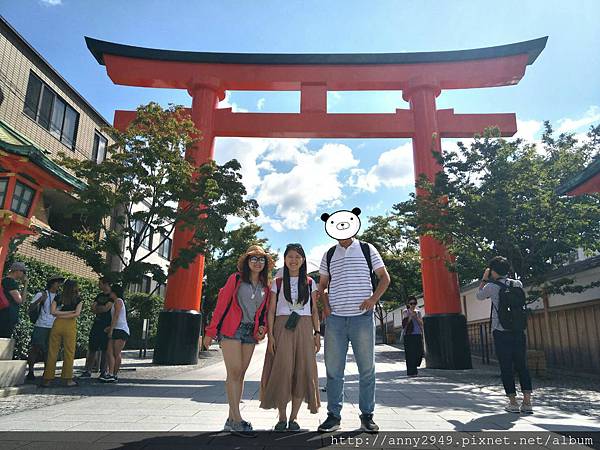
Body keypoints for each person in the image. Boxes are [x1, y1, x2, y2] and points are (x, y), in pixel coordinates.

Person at [317, 237, 390, 433]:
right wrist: (326, 307)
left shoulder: (367, 248)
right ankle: (333, 416)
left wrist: (373, 299)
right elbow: (322, 284)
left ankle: (367, 416)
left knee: (367, 370)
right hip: (335, 320)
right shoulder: (329, 253)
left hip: (362, 318)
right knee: (333, 371)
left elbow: (384, 277)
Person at [203, 245, 272, 436]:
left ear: (265, 263)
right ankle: (237, 419)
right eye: (253, 258)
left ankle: (231, 419)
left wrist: (262, 327)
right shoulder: (235, 279)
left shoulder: (266, 286)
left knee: (240, 375)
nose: (257, 262)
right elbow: (221, 304)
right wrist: (210, 331)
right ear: (246, 262)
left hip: (250, 333)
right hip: (231, 330)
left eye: (261, 259)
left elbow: (265, 313)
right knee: (233, 373)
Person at [260, 243, 321, 432]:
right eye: (290, 257)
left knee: (302, 371)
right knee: (282, 369)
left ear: (303, 260)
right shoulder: (277, 282)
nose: (293, 260)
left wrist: (317, 333)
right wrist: (271, 336)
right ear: (285, 260)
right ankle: (282, 417)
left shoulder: (310, 282)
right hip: (282, 326)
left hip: (304, 326)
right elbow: (270, 310)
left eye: (297, 257)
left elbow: (313, 311)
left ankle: (294, 418)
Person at [476, 256, 533, 414]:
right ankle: (527, 402)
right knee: (522, 364)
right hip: (518, 330)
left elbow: (478, 295)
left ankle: (513, 402)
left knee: (506, 366)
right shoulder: (517, 284)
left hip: (501, 330)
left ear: (493, 271)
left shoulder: (491, 287)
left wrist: (484, 278)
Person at [41, 279, 83, 387]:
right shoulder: (78, 299)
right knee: (69, 352)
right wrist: (70, 312)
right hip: (70, 325)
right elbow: (77, 314)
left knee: (52, 351)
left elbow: (53, 312)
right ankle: (68, 379)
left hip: (57, 323)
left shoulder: (59, 297)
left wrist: (60, 314)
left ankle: (48, 379)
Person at [25, 275, 64, 381]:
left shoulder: (60, 297)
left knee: (50, 350)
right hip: (41, 325)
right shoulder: (42, 294)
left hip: (54, 326)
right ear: (52, 283)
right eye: (57, 282)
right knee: (35, 348)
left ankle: (47, 372)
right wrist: (39, 300)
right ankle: (31, 371)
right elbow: (31, 308)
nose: (59, 285)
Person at [80, 277, 113, 379]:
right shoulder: (99, 295)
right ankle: (88, 370)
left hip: (107, 324)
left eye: (100, 283)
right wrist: (99, 309)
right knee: (92, 347)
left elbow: (106, 308)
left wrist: (98, 308)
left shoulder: (112, 296)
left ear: (105, 284)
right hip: (97, 324)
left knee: (105, 349)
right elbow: (92, 308)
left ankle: (103, 371)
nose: (98, 285)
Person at [99, 284, 129, 383]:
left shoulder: (118, 301)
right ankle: (111, 373)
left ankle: (113, 374)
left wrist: (111, 330)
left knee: (116, 353)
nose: (110, 294)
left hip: (120, 330)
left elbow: (116, 316)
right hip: (117, 328)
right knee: (110, 352)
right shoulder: (117, 302)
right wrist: (111, 328)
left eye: (111, 292)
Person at [0, 261, 27, 338]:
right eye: (23, 271)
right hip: (7, 317)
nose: (24, 274)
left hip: (3, 313)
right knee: (3, 340)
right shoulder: (11, 282)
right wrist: (25, 285)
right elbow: (20, 300)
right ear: (17, 270)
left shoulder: (3, 280)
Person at [401, 296, 424, 377]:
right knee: (410, 354)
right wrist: (410, 316)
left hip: (417, 334)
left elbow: (421, 323)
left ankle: (415, 366)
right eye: (411, 303)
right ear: (408, 304)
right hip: (408, 335)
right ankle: (412, 372)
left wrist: (416, 317)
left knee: (419, 352)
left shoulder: (418, 312)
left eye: (414, 303)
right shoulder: (405, 312)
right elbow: (404, 324)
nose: (413, 305)